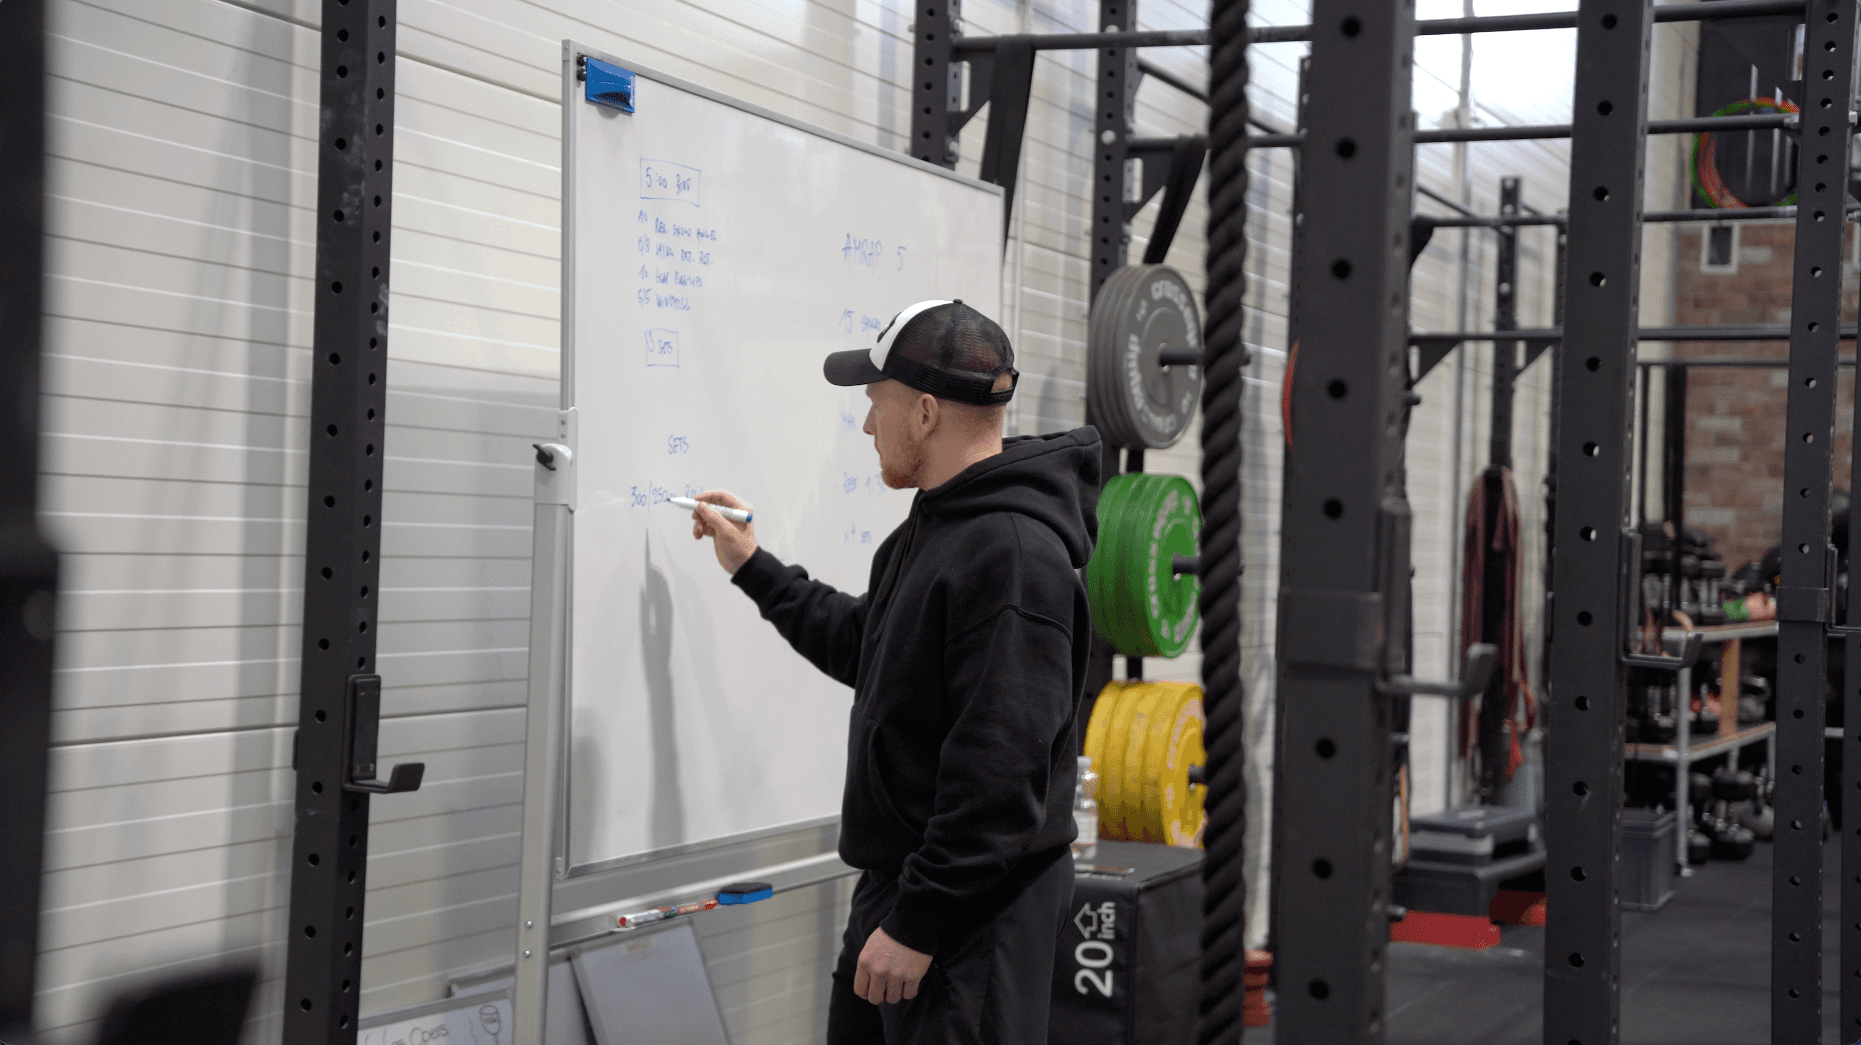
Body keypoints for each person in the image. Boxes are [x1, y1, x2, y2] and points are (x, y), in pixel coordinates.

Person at [687, 299, 1101, 1043]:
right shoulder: (936, 527)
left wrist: (919, 922)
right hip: (906, 890)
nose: (868, 425)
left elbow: (1000, 776)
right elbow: (868, 648)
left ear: (926, 413)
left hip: (967, 918)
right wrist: (753, 565)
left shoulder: (1012, 556)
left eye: (877, 404)